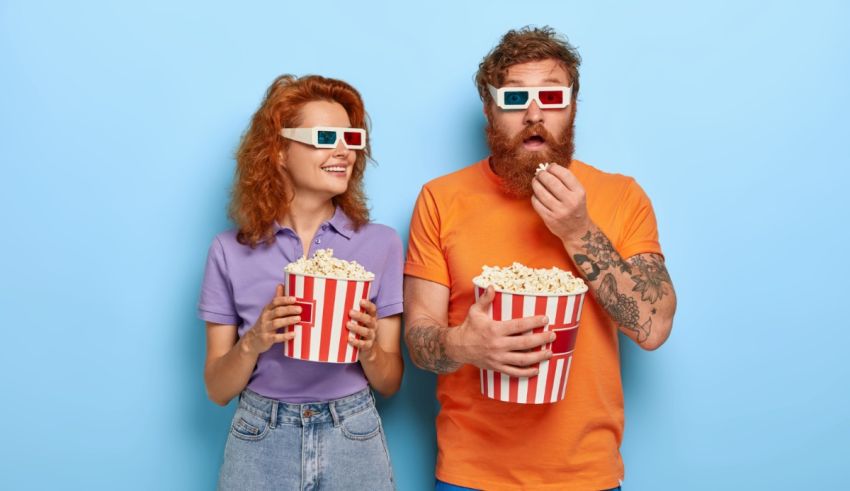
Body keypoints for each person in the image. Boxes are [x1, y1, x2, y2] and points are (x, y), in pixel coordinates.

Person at [404, 26, 677, 490]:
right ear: (490, 110)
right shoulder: (441, 198)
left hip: (584, 474)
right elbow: (417, 337)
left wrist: (578, 230)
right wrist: (461, 345)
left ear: (572, 107)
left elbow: (653, 327)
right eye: (514, 100)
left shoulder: (621, 196)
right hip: (471, 474)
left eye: (552, 97)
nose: (534, 113)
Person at [199, 74, 403, 490]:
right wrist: (255, 340)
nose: (344, 150)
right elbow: (217, 390)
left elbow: (391, 381)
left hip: (353, 431)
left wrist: (367, 348)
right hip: (260, 435)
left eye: (352, 138)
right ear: (278, 150)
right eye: (327, 137)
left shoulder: (380, 244)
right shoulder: (229, 250)